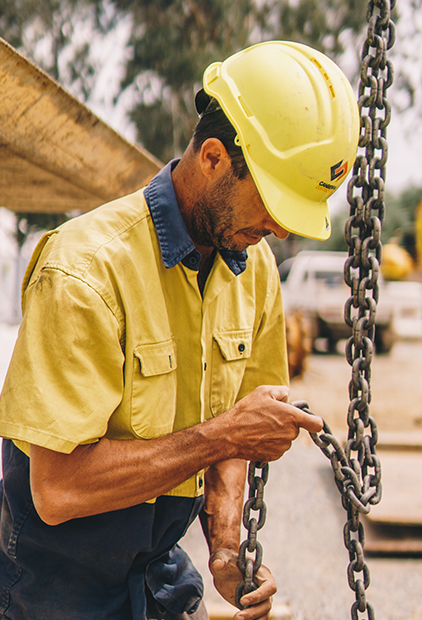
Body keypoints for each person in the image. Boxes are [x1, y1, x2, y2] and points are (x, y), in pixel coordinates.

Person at [0, 41, 359, 620]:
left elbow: (237, 431)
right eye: (271, 204)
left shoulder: (254, 266)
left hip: (156, 570)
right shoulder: (85, 271)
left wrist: (223, 546)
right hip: (53, 584)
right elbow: (58, 490)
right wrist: (223, 435)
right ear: (213, 157)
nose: (279, 230)